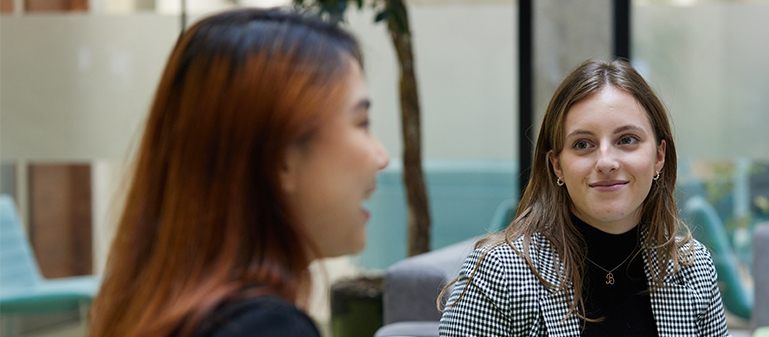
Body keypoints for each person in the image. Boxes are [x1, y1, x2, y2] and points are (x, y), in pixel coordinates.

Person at [88, 8, 389, 337]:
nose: (381, 156)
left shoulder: (158, 308)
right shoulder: (266, 329)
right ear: (279, 157)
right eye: (362, 123)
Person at [439, 59, 729, 336]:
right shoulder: (500, 273)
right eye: (583, 144)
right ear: (556, 165)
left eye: (627, 140)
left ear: (659, 156)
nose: (606, 162)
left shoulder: (694, 269)